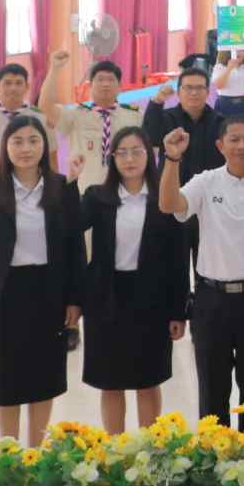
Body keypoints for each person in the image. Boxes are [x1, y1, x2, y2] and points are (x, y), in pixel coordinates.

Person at [0, 114, 85, 445]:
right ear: (5, 147)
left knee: (45, 374)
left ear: (44, 145)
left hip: (48, 291)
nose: (25, 149)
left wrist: (75, 299)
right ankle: (9, 452)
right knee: (4, 376)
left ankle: (35, 452)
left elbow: (74, 245)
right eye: (17, 142)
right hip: (4, 293)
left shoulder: (61, 187)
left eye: (33, 141)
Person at [159, 114, 244, 429]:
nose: (241, 146)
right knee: (212, 391)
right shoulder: (206, 181)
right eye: (234, 139)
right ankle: (213, 455)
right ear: (220, 145)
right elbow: (169, 205)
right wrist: (172, 158)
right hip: (211, 299)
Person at [78, 126, 188, 431]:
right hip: (106, 299)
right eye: (122, 153)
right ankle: (116, 449)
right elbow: (68, 228)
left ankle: (149, 449)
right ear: (112, 158)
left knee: (148, 380)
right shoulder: (97, 197)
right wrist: (71, 182)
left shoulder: (165, 198)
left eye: (136, 152)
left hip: (151, 299)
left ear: (149, 155)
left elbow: (178, 258)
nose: (129, 159)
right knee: (110, 381)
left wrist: (179, 311)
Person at [35, 53, 143, 193]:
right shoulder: (76, 115)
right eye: (100, 79)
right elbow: (45, 106)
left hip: (123, 192)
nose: (105, 84)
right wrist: (54, 69)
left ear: (120, 87)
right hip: (85, 192)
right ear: (90, 86)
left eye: (111, 80)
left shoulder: (134, 116)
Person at [212, 49, 244, 117]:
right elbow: (218, 86)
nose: (238, 53)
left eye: (241, 50)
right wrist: (229, 68)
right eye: (235, 50)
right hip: (224, 104)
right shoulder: (219, 67)